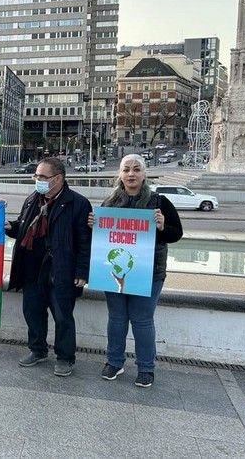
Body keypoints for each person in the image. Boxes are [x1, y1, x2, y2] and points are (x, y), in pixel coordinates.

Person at [88, 154, 182, 388]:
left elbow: (176, 234)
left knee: (142, 320)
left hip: (149, 273)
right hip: (115, 273)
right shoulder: (109, 204)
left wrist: (161, 226)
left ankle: (146, 368)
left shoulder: (159, 202)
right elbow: (102, 240)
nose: (131, 174)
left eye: (136, 169)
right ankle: (114, 361)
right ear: (119, 174)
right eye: (126, 169)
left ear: (144, 174)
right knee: (117, 319)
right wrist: (93, 225)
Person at [5, 157, 91, 377]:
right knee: (32, 312)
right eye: (36, 176)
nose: (38, 180)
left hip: (60, 270)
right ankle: (37, 349)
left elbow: (84, 240)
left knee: (62, 316)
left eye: (43, 177)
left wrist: (82, 271)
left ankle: (65, 357)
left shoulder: (77, 204)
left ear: (58, 178)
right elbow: (24, 228)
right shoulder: (32, 199)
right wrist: (9, 227)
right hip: (31, 269)